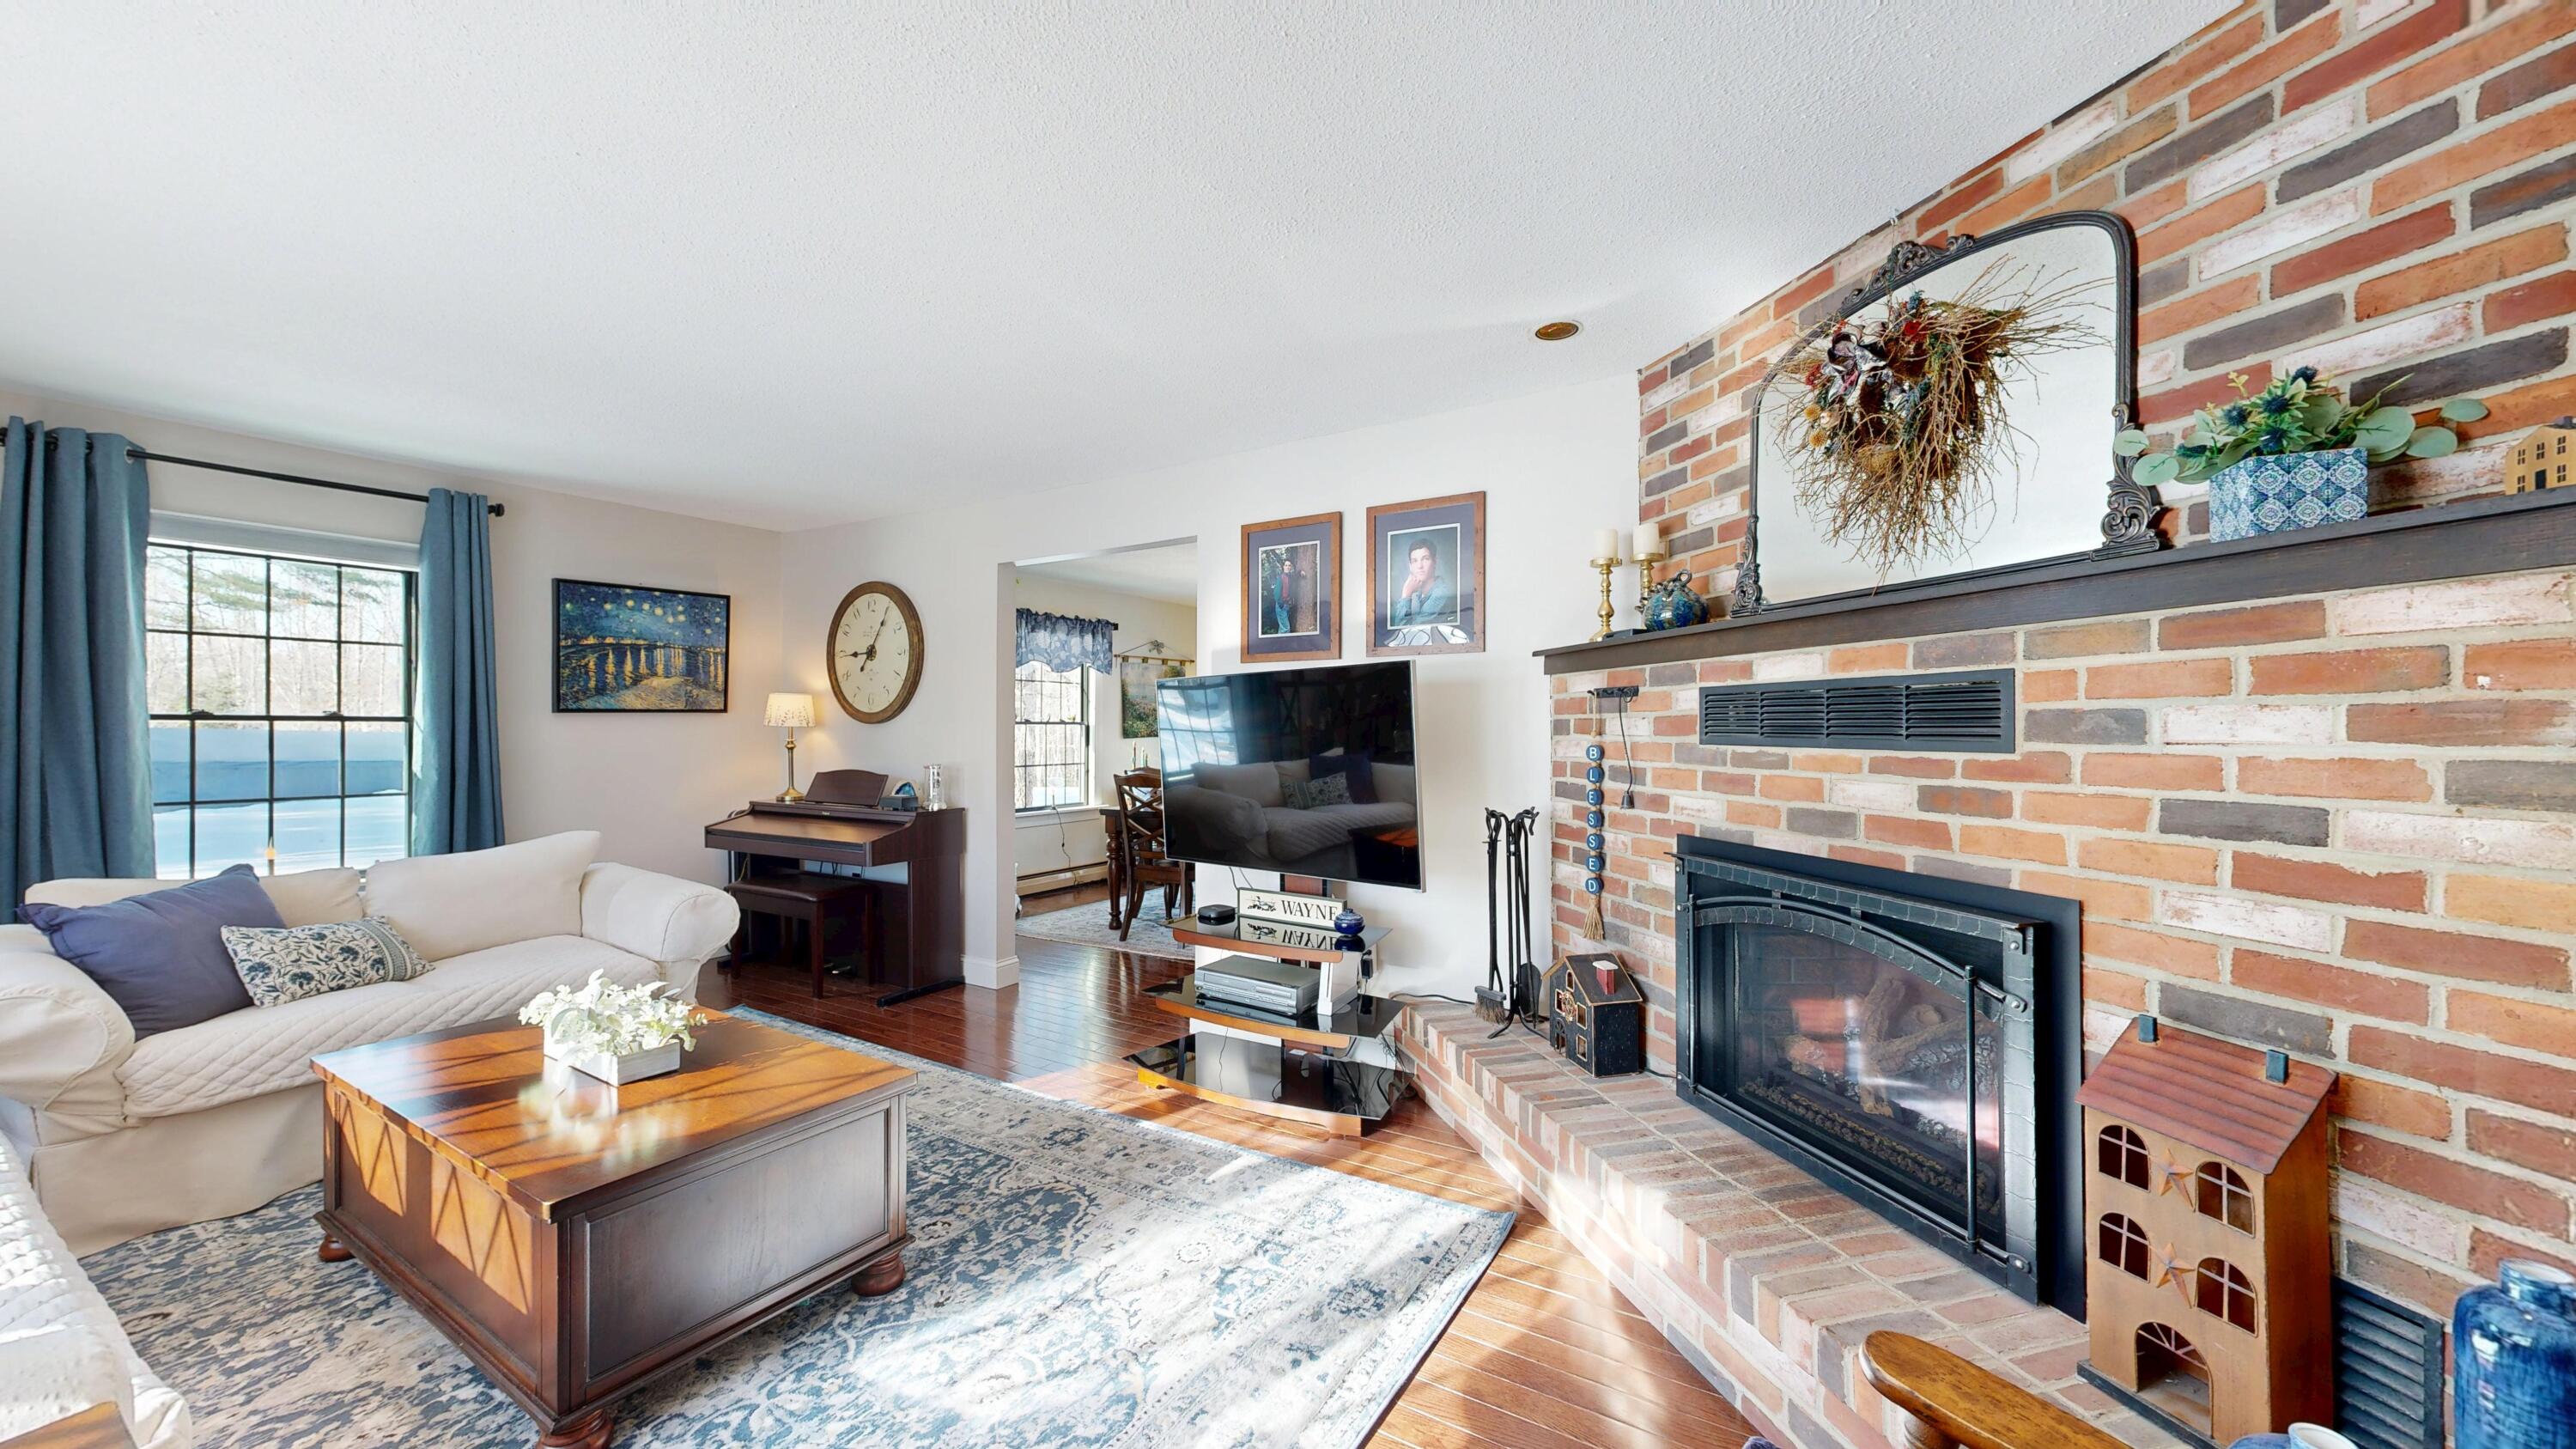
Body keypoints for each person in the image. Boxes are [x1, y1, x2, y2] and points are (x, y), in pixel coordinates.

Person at [1388, 539, 1453, 630]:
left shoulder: (1441, 593)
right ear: (1410, 566)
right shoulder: (1420, 595)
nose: (1419, 566)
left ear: (1435, 562)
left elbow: (1405, 632)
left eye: (1425, 559)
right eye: (1415, 561)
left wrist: (1406, 594)